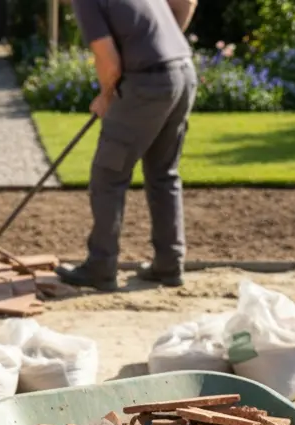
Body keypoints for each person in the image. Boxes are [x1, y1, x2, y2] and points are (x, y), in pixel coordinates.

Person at [54, 0, 199, 291]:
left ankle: (100, 267)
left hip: (148, 83)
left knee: (108, 175)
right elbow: (186, 3)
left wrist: (106, 96)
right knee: (163, 174)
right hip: (183, 74)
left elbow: (108, 61)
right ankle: (169, 264)